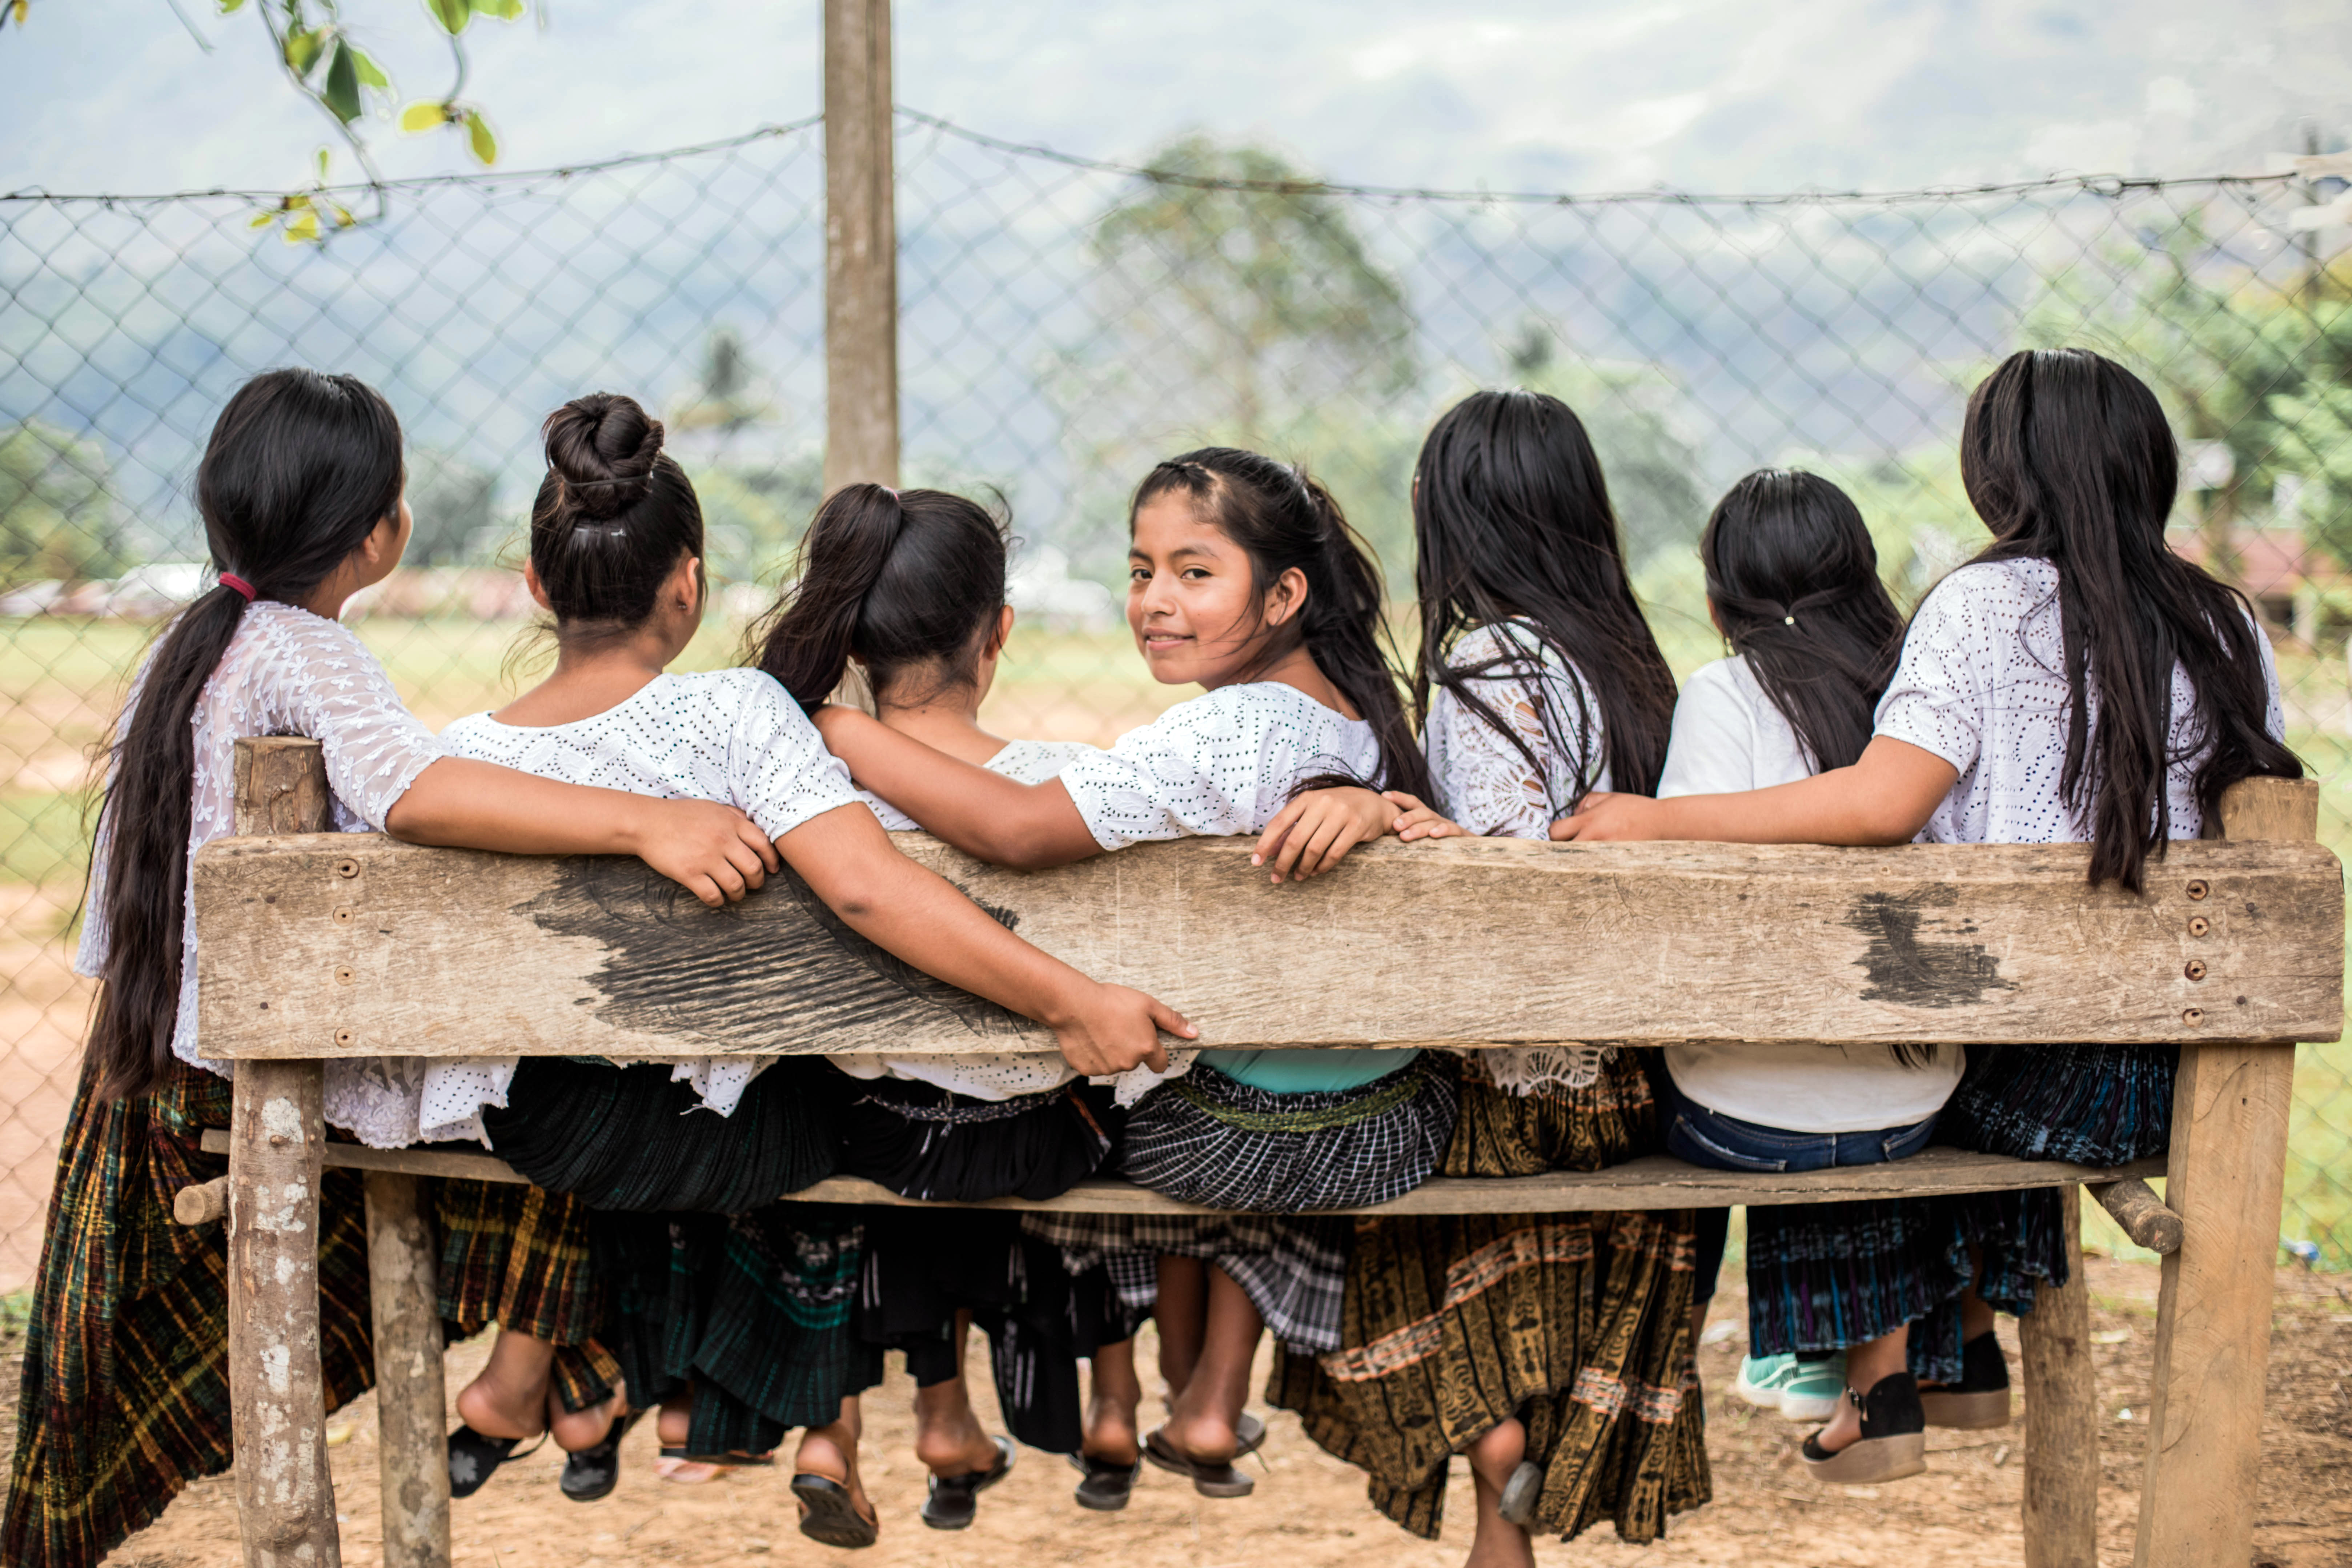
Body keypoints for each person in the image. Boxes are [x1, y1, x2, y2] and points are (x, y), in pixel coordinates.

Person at [3, 368, 791, 1568]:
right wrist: (646, 821)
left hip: (173, 1053)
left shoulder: (190, 648)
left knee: (523, 1098)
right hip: (254, 1070)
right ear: (378, 529)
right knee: (549, 1109)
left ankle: (562, 1377)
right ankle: (576, 1372)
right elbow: (413, 793)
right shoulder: (307, 652)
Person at [422, 394, 1196, 1545]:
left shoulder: (464, 758)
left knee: (744, 1098)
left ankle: (598, 1381)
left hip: (547, 1124)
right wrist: (1069, 1000)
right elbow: (867, 887)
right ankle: (729, 1406)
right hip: (723, 1137)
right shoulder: (740, 715)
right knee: (796, 1099)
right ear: (685, 585)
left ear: (538, 588)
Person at [1554, 347, 2300, 1483]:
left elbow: (1885, 799)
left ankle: (1891, 1374)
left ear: (1997, 475)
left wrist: (1658, 822)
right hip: (2170, 1071)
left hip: (2032, 1071)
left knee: (1877, 1063)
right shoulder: (2229, 622)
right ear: (2148, 468)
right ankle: (1960, 1353)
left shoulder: (1979, 606)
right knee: (1914, 1065)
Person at [812, 447, 1453, 1503]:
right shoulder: (1354, 711)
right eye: (1141, 569)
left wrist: (839, 727)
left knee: (1074, 1100)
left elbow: (1020, 827)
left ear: (1285, 592)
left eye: (1194, 573)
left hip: (1228, 1142)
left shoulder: (1231, 727)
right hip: (1390, 1125)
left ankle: (1138, 1391)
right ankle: (1193, 1391)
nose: (1154, 602)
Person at [1271, 389, 1706, 1566]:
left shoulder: (1487, 655)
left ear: (1447, 512)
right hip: (1637, 1087)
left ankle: (1492, 1477)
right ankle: (1505, 1500)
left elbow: (1515, 883)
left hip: (1523, 1094)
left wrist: (1403, 820)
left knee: (1388, 1184)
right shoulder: (1631, 657)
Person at [748, 482, 1144, 1524]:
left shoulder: (799, 783)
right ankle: (1112, 1390)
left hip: (884, 1143)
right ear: (997, 632)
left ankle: (930, 1408)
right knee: (1102, 1119)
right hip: (1041, 1145)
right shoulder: (1073, 784)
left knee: (864, 1122)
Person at [1649, 468, 1976, 1483]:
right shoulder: (1914, 699)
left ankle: (1805, 1359)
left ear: (1717, 604)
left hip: (1738, 1119)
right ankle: (1873, 1365)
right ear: (1864, 580)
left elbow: (1682, 899)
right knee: (1842, 1090)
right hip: (1918, 1103)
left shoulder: (1721, 694)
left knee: (1746, 1083)